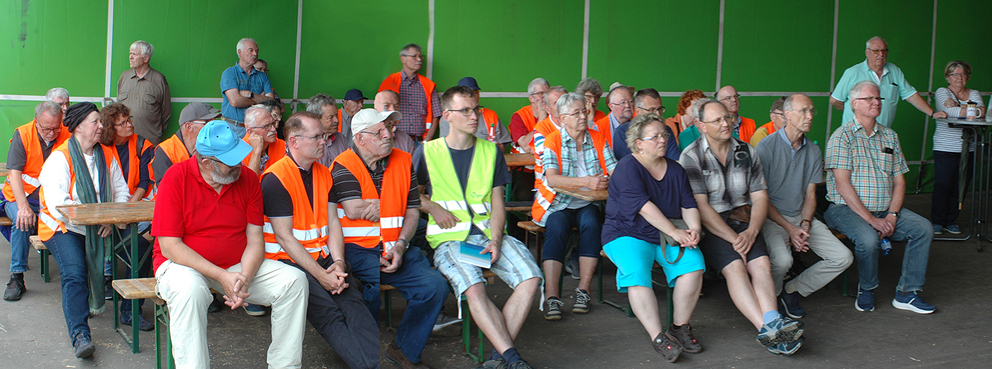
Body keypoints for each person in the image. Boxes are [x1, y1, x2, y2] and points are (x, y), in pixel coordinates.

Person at [153, 120, 308, 368]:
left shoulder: (247, 178)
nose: (239, 165)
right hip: (182, 265)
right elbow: (171, 246)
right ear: (206, 163)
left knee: (294, 282)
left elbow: (255, 240)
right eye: (230, 161)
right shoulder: (176, 177)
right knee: (189, 291)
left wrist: (243, 277)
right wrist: (221, 276)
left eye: (239, 157)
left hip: (235, 266)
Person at [416, 86, 541, 369]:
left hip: (487, 237)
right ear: (447, 115)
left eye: (477, 109)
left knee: (531, 278)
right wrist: (434, 207)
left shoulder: (491, 152)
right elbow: (412, 195)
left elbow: (498, 204)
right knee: (473, 287)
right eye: (466, 110)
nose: (475, 116)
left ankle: (500, 358)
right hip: (451, 240)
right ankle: (512, 358)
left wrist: (496, 240)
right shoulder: (427, 152)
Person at [680, 99, 805, 355]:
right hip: (712, 225)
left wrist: (751, 231)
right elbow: (701, 206)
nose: (726, 123)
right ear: (701, 125)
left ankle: (772, 321)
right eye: (717, 120)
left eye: (727, 118)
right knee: (736, 268)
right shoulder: (691, 156)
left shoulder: (747, 151)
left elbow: (760, 196)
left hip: (744, 220)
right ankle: (769, 331)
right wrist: (733, 238)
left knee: (761, 265)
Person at [260, 112, 379, 368]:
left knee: (354, 303)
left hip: (322, 258)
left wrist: (338, 262)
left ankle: (372, 363)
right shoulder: (275, 178)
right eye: (316, 137)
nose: (324, 142)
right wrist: (321, 275)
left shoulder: (324, 173)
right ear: (293, 141)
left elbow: (333, 221)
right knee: (328, 313)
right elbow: (284, 237)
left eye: (323, 136)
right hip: (287, 262)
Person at [331, 109, 448, 368]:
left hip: (396, 247)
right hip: (356, 250)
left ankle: (404, 350)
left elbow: (412, 211)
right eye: (380, 131)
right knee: (369, 285)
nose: (389, 134)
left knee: (435, 286)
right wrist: (394, 204)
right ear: (360, 139)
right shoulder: (343, 164)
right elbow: (353, 210)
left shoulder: (404, 161)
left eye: (389, 128)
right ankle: (363, 353)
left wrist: (401, 244)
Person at [824, 81, 936, 314]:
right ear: (854, 104)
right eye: (869, 98)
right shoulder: (842, 137)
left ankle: (907, 293)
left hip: (885, 209)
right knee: (868, 239)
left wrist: (893, 215)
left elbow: (899, 181)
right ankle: (867, 289)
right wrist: (872, 220)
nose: (876, 102)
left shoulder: (890, 136)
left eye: (879, 98)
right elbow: (843, 185)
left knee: (923, 228)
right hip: (845, 209)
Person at [603, 113, 705, 362]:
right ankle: (658, 336)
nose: (662, 140)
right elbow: (644, 207)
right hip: (626, 232)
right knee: (637, 273)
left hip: (665, 232)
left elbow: (688, 203)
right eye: (655, 136)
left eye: (664, 135)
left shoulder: (675, 169)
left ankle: (679, 327)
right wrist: (676, 232)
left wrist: (694, 230)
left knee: (694, 265)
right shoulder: (628, 166)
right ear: (638, 143)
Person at [37, 102, 131, 358]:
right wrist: (98, 219)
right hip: (61, 227)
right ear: (78, 127)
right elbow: (60, 207)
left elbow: (121, 192)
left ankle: (128, 311)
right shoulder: (60, 157)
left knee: (137, 246)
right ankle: (80, 335)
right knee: (75, 273)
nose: (102, 127)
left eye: (101, 122)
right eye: (95, 122)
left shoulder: (107, 155)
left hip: (98, 225)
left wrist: (110, 219)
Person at [755, 94, 853, 319]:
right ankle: (773, 296)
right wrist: (790, 229)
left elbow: (810, 195)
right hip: (772, 218)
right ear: (787, 115)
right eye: (803, 111)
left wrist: (805, 224)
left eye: (812, 111)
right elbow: (761, 197)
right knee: (782, 260)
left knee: (843, 257)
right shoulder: (766, 147)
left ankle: (791, 289)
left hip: (802, 217)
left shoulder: (813, 150)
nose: (810, 116)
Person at [533, 92, 616, 320]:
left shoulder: (597, 138)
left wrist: (610, 179)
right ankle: (551, 295)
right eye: (576, 113)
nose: (582, 117)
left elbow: (613, 168)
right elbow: (552, 178)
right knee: (557, 226)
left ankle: (584, 290)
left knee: (592, 222)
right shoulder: (553, 140)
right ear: (562, 118)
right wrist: (588, 181)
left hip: (588, 203)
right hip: (559, 203)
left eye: (584, 111)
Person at [2, 101, 71, 301]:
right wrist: (23, 207)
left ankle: (75, 278)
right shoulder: (23, 134)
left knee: (71, 226)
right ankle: (16, 277)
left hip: (52, 200)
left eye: (56, 128)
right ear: (36, 122)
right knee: (22, 221)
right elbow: (14, 174)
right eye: (46, 129)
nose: (51, 133)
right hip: (21, 197)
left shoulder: (66, 134)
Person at [98, 103, 156, 329]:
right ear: (111, 128)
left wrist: (128, 210)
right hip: (104, 215)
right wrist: (115, 216)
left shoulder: (142, 144)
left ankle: (130, 310)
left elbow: (144, 181)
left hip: (135, 206)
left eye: (129, 119)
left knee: (141, 245)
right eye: (122, 123)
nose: (129, 124)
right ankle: (101, 287)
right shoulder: (98, 147)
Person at [830, 36, 947, 128]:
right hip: (855, 134)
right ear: (867, 52)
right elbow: (835, 100)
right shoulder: (852, 72)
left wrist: (932, 113)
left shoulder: (894, 71)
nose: (881, 55)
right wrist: (855, 111)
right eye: (876, 51)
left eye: (884, 51)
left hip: (882, 134)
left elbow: (910, 94)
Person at [931, 61, 985, 235]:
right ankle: (937, 221)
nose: (959, 78)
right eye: (954, 74)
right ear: (948, 77)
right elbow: (949, 114)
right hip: (945, 147)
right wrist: (969, 109)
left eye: (962, 74)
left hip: (968, 148)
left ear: (967, 76)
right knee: (943, 184)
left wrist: (958, 107)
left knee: (960, 185)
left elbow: (982, 113)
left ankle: (951, 220)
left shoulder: (974, 92)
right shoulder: (942, 92)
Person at [379, 43, 441, 143]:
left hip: (419, 142)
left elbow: (436, 115)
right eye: (414, 56)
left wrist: (426, 141)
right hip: (394, 141)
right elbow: (380, 113)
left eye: (420, 56)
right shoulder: (389, 83)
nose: (419, 60)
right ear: (403, 59)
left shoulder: (428, 85)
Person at [116, 40, 171, 145]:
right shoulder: (124, 77)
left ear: (146, 58)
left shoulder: (159, 79)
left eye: (134, 54)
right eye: (130, 54)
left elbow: (166, 112)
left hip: (149, 141)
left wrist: (156, 131)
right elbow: (118, 107)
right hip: (124, 141)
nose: (130, 57)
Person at [153, 102, 220, 184]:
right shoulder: (165, 151)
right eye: (207, 122)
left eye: (214, 121)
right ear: (189, 127)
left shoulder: (216, 145)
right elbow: (166, 191)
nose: (213, 126)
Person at [220, 38, 274, 137]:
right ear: (240, 52)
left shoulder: (262, 76)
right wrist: (258, 101)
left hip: (255, 130)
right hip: (232, 128)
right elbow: (235, 101)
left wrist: (250, 95)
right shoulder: (230, 73)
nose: (255, 54)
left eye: (257, 51)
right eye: (251, 50)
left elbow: (271, 103)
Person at [438, 77, 512, 150]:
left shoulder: (491, 115)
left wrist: (495, 149)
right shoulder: (449, 117)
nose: (474, 117)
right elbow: (445, 146)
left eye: (475, 93)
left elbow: (502, 144)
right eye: (465, 110)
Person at [613, 88, 679, 160]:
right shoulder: (622, 133)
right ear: (638, 111)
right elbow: (626, 165)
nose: (658, 114)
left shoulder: (666, 130)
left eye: (660, 109)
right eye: (651, 110)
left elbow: (675, 161)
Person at [306, 93, 350, 166]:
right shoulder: (306, 142)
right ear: (316, 119)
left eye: (336, 115)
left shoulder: (341, 139)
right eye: (330, 117)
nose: (336, 120)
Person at [509, 78, 550, 155]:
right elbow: (526, 146)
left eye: (547, 93)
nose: (545, 97)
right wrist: (541, 118)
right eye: (541, 93)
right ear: (531, 98)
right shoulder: (518, 116)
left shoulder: (554, 113)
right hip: (523, 164)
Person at [241, 104, 285, 175]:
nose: (273, 129)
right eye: (266, 126)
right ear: (251, 132)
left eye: (273, 123)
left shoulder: (283, 146)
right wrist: (256, 152)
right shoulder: (238, 152)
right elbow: (249, 183)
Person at [593, 83, 633, 148]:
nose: (627, 105)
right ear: (611, 106)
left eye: (630, 101)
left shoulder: (639, 122)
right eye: (622, 102)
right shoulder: (599, 127)